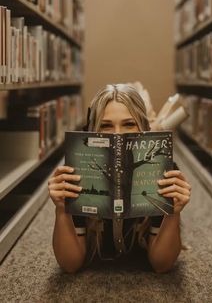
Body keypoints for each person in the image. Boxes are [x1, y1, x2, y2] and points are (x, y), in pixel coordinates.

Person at [48, 83, 191, 274]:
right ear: (92, 130)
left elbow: (161, 264)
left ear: (143, 128)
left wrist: (174, 213)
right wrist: (61, 210)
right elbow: (70, 264)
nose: (118, 134)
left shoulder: (161, 169)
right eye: (106, 126)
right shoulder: (78, 170)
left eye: (129, 124)